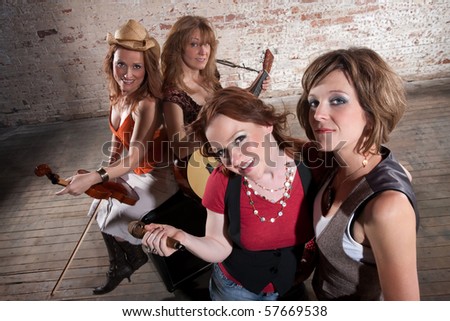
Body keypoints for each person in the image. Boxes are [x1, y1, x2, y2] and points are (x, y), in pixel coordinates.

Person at [141, 87, 314, 301]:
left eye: (239, 139)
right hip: (235, 291)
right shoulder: (221, 180)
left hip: (287, 285)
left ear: (266, 123)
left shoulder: (311, 168)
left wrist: (310, 260)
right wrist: (184, 238)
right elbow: (219, 246)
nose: (234, 159)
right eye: (221, 152)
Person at [56, 19, 179, 294]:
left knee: (111, 218)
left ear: (147, 68)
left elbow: (135, 157)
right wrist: (109, 166)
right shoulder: (117, 94)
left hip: (156, 177)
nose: (128, 73)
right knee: (98, 205)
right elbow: (116, 135)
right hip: (132, 173)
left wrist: (96, 176)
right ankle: (126, 262)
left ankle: (130, 259)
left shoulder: (146, 103)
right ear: (111, 62)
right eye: (121, 64)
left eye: (137, 66)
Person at [296, 47, 420, 300]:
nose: (317, 114)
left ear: (372, 110)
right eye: (313, 102)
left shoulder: (386, 208)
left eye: (338, 100)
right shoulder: (334, 159)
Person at [160, 15, 270, 180]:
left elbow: (224, 107)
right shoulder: (173, 94)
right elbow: (179, 149)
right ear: (178, 47)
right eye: (194, 44)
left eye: (207, 44)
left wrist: (255, 87)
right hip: (203, 168)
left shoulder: (210, 77)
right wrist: (211, 127)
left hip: (228, 153)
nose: (203, 51)